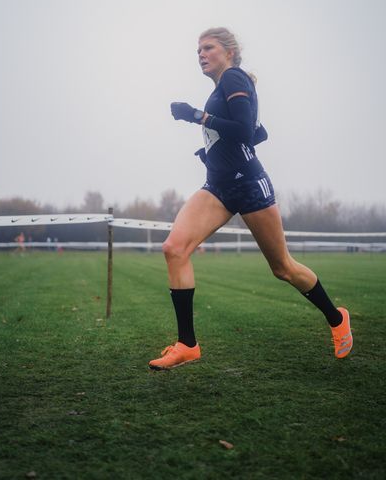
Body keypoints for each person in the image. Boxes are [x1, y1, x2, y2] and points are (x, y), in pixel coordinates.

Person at [149, 27, 353, 371]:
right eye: (197, 49)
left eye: (207, 47)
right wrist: (212, 149)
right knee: (174, 249)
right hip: (218, 186)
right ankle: (187, 345)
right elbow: (258, 132)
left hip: (249, 185)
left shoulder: (233, 77)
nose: (200, 54)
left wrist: (195, 116)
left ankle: (337, 319)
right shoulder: (223, 87)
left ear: (228, 50)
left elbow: (245, 131)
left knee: (283, 268)